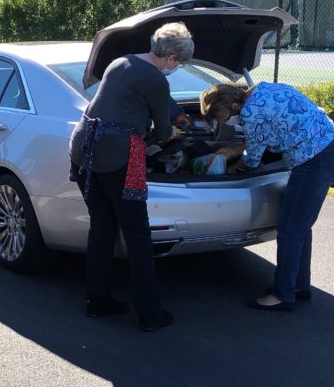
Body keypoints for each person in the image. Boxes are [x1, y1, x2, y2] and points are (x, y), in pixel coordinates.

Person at [69, 21, 195, 332]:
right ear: (171, 58)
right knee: (138, 235)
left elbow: (131, 98)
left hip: (84, 149)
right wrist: (172, 129)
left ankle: (97, 301)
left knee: (102, 227)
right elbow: (164, 131)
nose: (176, 68)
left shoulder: (121, 61)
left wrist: (174, 111)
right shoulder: (156, 78)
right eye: (179, 63)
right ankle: (150, 314)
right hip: (116, 155)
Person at [200, 81, 334, 312]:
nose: (226, 122)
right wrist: (233, 150)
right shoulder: (268, 88)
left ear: (234, 105)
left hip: (312, 159)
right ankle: (299, 285)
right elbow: (269, 132)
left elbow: (252, 160)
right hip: (327, 145)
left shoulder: (250, 113)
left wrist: (229, 170)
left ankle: (283, 295)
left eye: (223, 116)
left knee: (290, 228)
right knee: (301, 226)